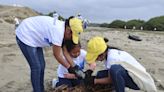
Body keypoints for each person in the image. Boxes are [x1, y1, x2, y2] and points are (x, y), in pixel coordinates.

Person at [15, 16, 83, 92]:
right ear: (68, 29)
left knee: (42, 65)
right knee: (36, 67)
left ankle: (40, 89)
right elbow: (57, 55)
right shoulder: (58, 32)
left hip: (35, 38)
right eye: (71, 35)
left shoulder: (64, 31)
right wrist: (69, 68)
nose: (71, 38)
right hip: (25, 34)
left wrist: (74, 67)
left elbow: (65, 51)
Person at [84, 36, 157, 92]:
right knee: (100, 74)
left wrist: (94, 81)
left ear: (102, 54)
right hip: (128, 76)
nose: (96, 60)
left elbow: (111, 79)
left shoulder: (113, 58)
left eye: (95, 57)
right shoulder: (109, 52)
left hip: (138, 82)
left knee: (115, 70)